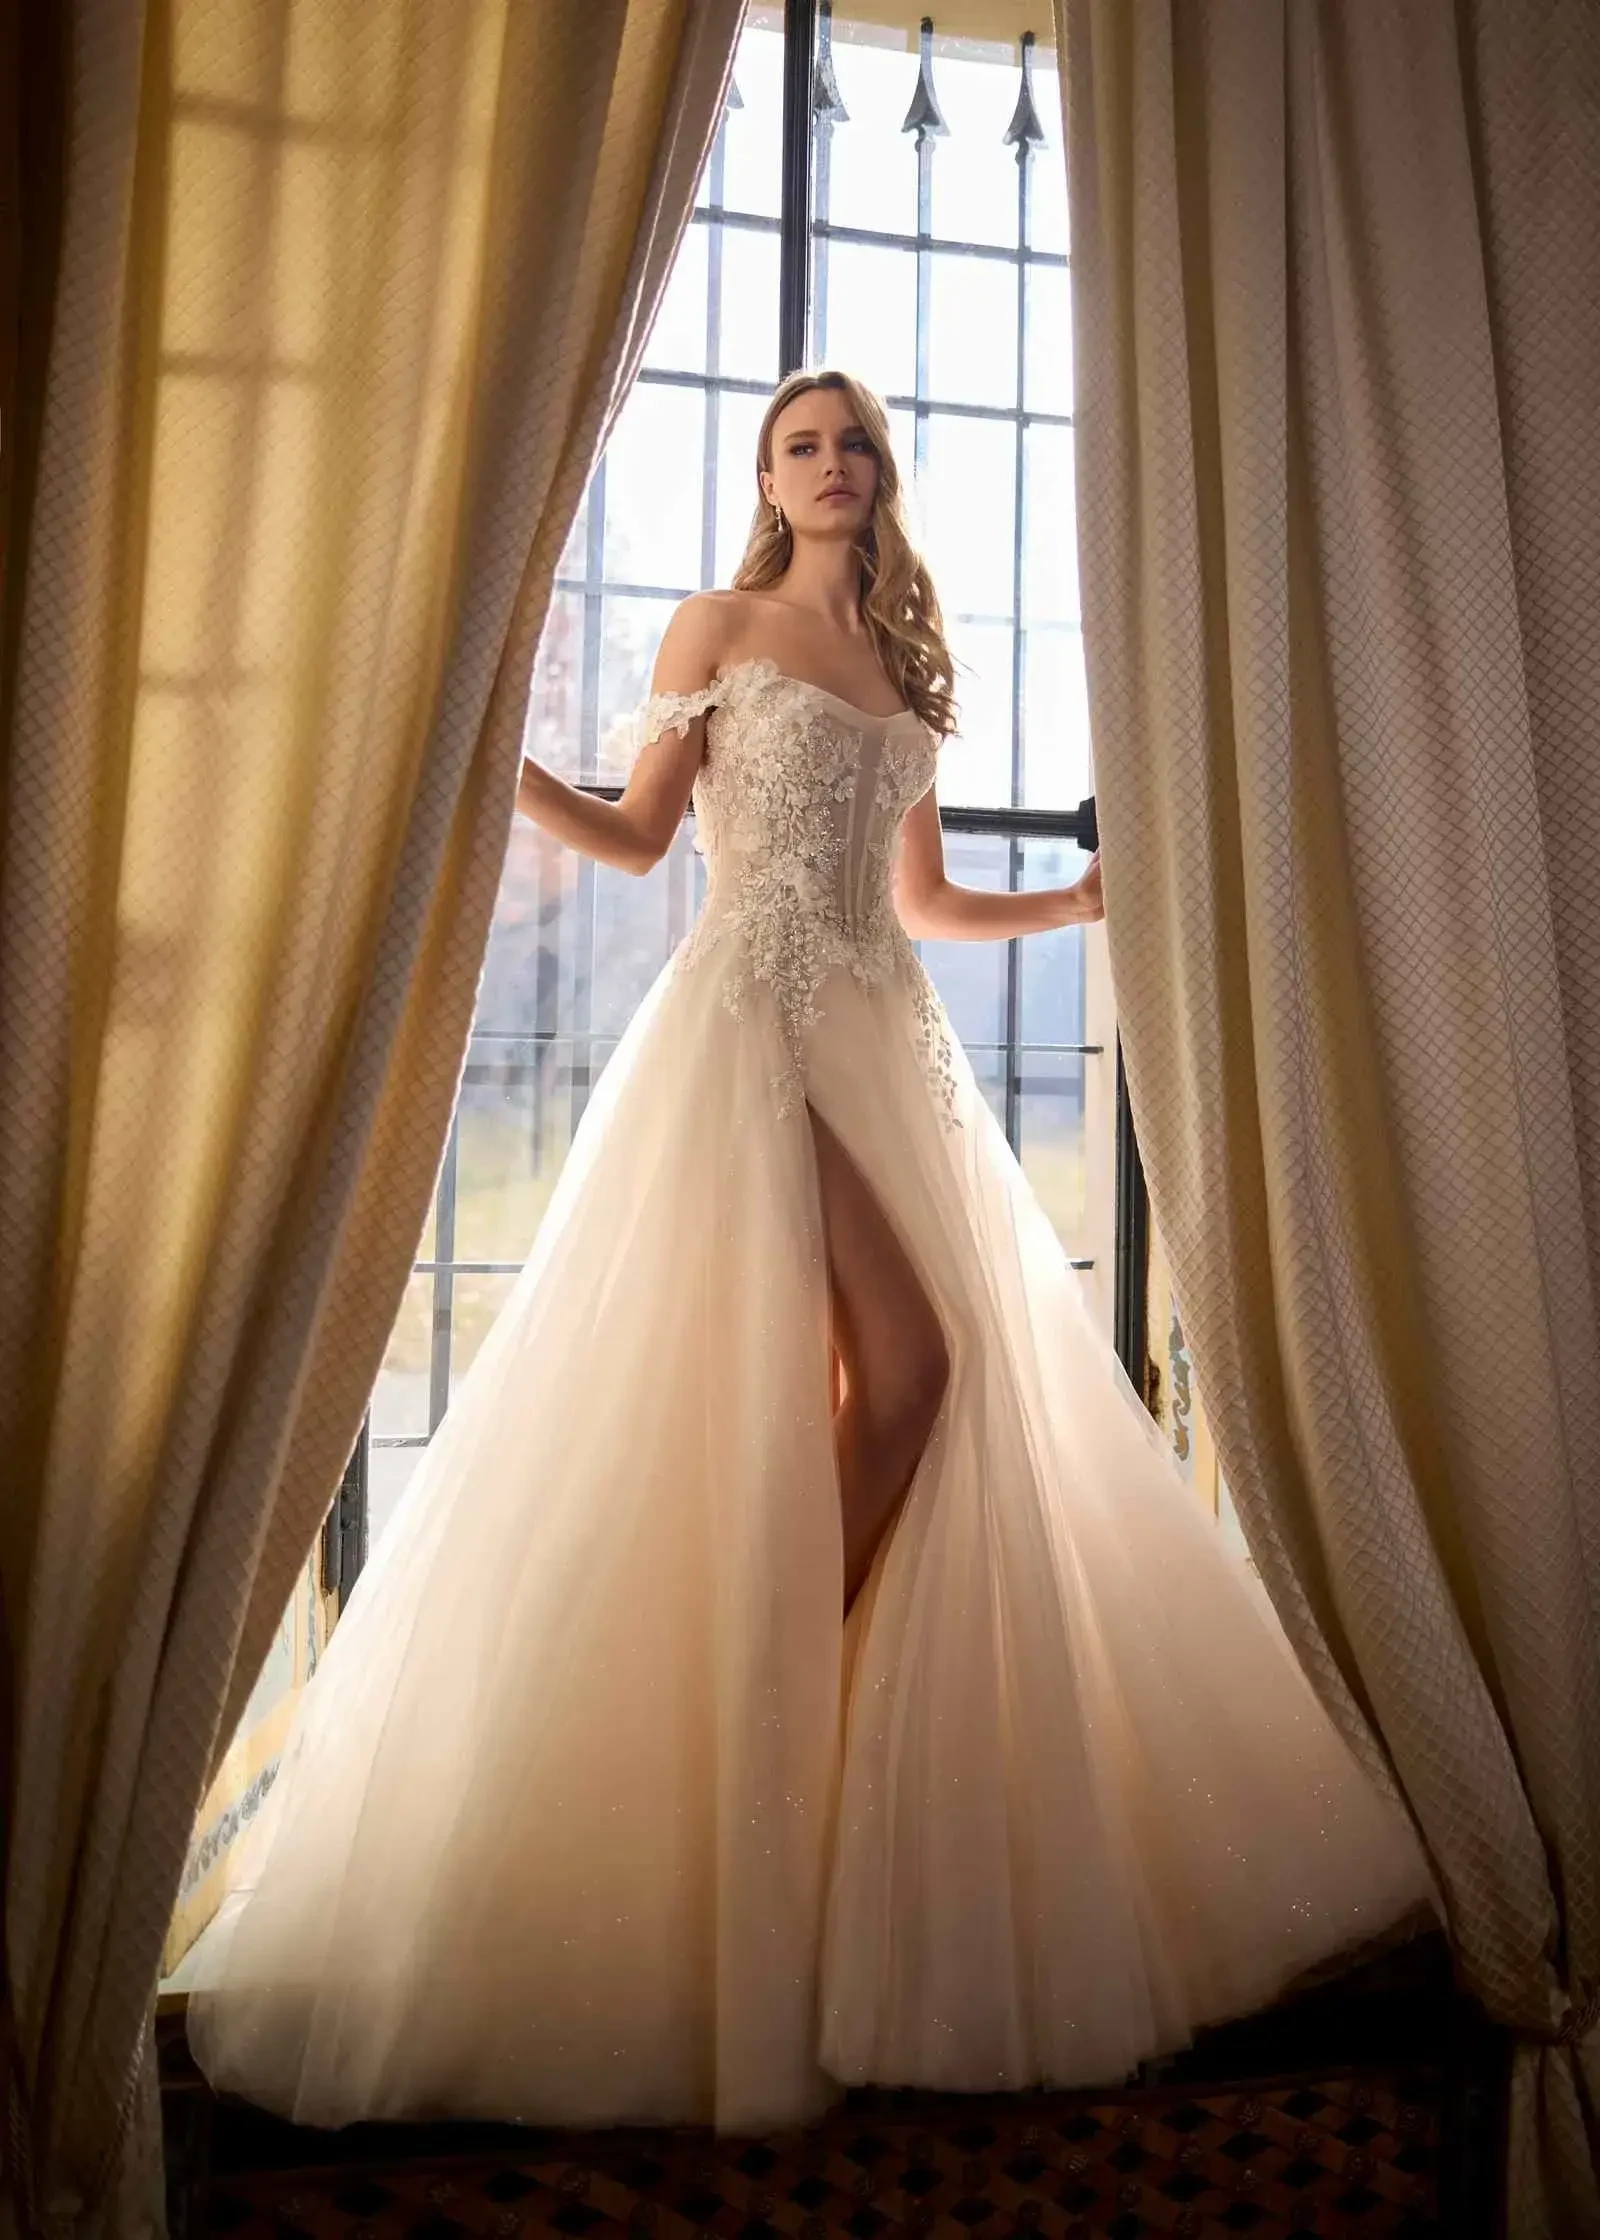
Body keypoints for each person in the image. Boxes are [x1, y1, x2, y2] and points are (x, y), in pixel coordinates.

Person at [186, 368, 1434, 2137]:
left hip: (882, 1033)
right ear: (767, 480)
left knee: (930, 1380)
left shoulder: (909, 668)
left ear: (880, 476)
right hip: (751, 1029)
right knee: (901, 1372)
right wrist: (489, 762)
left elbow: (920, 904)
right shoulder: (723, 621)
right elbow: (630, 845)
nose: (829, 466)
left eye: (851, 443)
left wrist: (1073, 905)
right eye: (798, 446)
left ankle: (792, 1647)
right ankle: (760, 1659)